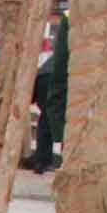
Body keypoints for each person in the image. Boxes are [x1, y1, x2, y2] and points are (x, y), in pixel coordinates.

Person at [28, 12, 70, 172]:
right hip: (56, 79)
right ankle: (61, 161)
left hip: (43, 77)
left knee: (46, 119)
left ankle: (41, 161)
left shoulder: (59, 49)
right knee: (64, 119)